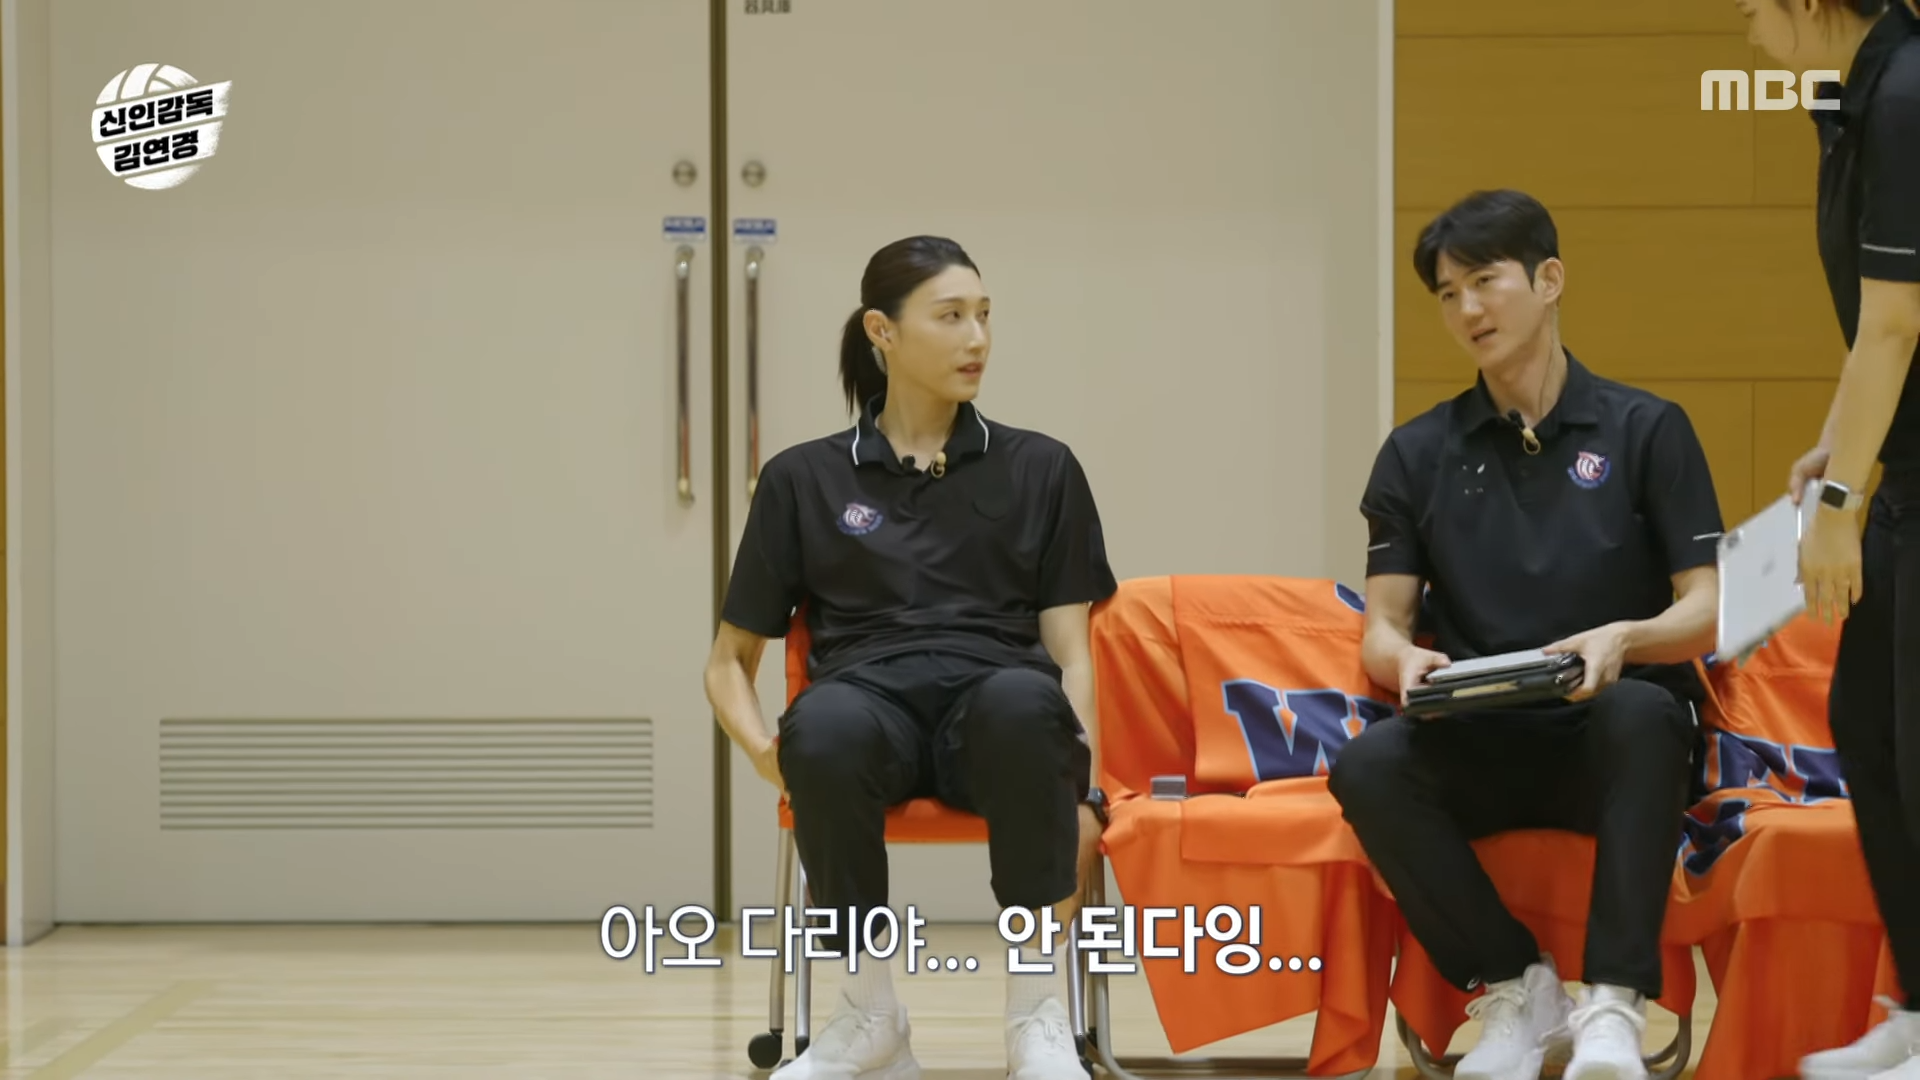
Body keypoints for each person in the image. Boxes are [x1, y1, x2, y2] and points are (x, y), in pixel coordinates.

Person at [1327, 190, 1723, 1080]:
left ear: (1549, 280)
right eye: (1446, 293)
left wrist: (1625, 639)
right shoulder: (1416, 453)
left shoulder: (1647, 429)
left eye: (1484, 282)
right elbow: (1382, 627)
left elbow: (1708, 607)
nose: (1466, 309)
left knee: (1643, 717)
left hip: (1610, 737)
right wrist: (1405, 659)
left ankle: (1613, 1006)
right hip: (1480, 733)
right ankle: (1516, 987)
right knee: (1369, 766)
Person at [703, 235, 1118, 1080]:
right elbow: (728, 662)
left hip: (997, 716)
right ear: (882, 332)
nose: (978, 339)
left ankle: (1036, 1016)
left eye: (985, 316)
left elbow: (1072, 656)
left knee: (1024, 703)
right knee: (821, 728)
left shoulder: (1043, 468)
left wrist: (1083, 787)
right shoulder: (802, 479)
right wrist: (765, 755)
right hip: (869, 712)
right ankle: (871, 1017)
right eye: (951, 316)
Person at [1733, 2, 1920, 1078]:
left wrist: (1842, 505)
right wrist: (1836, 444)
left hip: (1903, 489)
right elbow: (1876, 330)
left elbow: (1898, 320)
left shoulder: (1906, 95)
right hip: (1906, 473)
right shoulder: (1855, 95)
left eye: (1754, 4)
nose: (1744, 19)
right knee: (1869, 727)